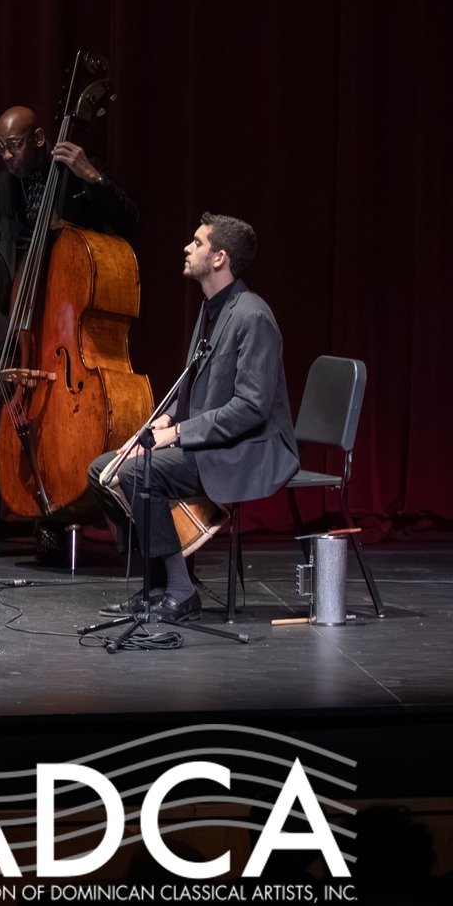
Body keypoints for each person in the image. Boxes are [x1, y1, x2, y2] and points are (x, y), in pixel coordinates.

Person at [0, 104, 138, 558]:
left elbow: (129, 223)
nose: (6, 155)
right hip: (19, 321)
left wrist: (90, 177)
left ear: (40, 139)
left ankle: (55, 520)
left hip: (70, 320)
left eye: (14, 145)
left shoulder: (80, 174)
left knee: (63, 424)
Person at [92, 214, 296, 621]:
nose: (188, 247)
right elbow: (193, 387)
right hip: (211, 438)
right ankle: (156, 585)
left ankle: (181, 591)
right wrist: (165, 421)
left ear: (220, 258)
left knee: (139, 473)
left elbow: (252, 407)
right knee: (102, 471)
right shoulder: (211, 310)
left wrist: (180, 433)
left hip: (246, 447)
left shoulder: (253, 316)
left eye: (198, 243)